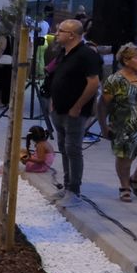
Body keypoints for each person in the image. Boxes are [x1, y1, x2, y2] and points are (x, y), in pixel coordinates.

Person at [44, 19, 102, 206]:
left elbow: (93, 82)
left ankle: (74, 190)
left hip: (75, 112)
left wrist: (78, 106)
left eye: (60, 30)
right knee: (64, 148)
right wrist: (53, 101)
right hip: (59, 110)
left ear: (72, 35)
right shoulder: (63, 53)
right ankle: (67, 185)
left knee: (73, 149)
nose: (56, 33)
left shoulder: (86, 55)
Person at [98, 44, 137, 202]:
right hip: (124, 127)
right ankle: (125, 186)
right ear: (126, 60)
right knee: (125, 157)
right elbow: (103, 104)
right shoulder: (115, 80)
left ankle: (135, 178)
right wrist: (103, 126)